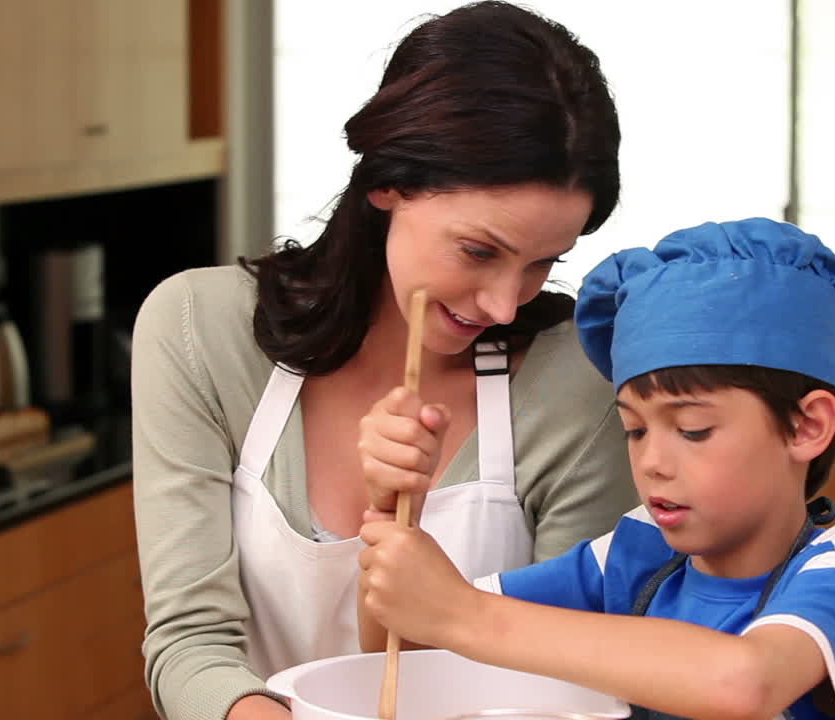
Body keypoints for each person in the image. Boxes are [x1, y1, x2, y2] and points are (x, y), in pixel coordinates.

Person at [131, 3, 640, 719]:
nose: (503, 305)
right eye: (479, 251)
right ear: (389, 183)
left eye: (542, 264)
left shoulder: (577, 384)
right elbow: (190, 644)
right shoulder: (198, 331)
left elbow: (566, 676)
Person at [358, 218, 835, 720]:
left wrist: (466, 615)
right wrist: (393, 511)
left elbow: (742, 683)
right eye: (635, 429)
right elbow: (410, 640)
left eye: (693, 430)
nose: (652, 463)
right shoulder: (633, 554)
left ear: (806, 426)